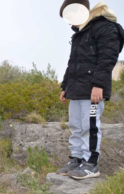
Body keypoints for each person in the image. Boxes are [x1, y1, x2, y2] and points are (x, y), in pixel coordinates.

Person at [58, 0, 124, 179]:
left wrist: (99, 85)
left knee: (90, 126)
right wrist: (65, 86)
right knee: (76, 126)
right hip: (77, 89)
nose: (70, 22)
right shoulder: (81, 33)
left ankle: (91, 164)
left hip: (93, 89)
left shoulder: (106, 27)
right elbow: (73, 63)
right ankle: (77, 159)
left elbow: (108, 58)